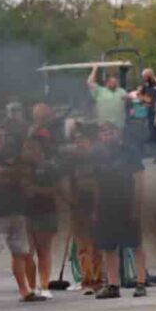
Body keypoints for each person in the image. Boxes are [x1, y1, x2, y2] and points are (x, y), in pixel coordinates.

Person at [0, 126, 42, 305]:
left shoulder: (14, 156)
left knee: (20, 252)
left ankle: (24, 290)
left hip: (17, 210)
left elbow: (26, 175)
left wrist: (5, 174)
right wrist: (13, 176)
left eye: (0, 136)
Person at [92, 121, 147, 299]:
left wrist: (137, 205)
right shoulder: (98, 155)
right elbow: (95, 184)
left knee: (135, 244)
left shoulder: (129, 152)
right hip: (106, 207)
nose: (107, 136)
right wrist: (95, 207)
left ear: (117, 133)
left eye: (110, 132)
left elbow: (139, 178)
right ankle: (113, 285)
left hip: (127, 203)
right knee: (109, 247)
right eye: (104, 133)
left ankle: (140, 283)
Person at [65, 123, 105, 295]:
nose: (80, 143)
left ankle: (98, 279)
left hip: (95, 207)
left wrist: (97, 208)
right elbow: (66, 184)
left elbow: (99, 186)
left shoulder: (97, 160)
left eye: (83, 140)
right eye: (77, 141)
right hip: (77, 209)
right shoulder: (71, 162)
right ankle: (87, 280)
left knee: (96, 246)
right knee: (83, 247)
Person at [21, 136, 61, 299]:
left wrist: (35, 189)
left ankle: (44, 285)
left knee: (43, 251)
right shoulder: (20, 168)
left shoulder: (49, 166)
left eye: (33, 148)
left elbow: (56, 189)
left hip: (45, 211)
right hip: (24, 213)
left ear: (39, 149)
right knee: (26, 253)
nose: (29, 151)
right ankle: (31, 287)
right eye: (26, 148)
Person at [86, 65, 133, 132]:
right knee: (104, 139)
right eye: (111, 82)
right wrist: (94, 69)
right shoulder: (100, 91)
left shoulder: (122, 91)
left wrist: (131, 107)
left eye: (115, 82)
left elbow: (129, 100)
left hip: (118, 126)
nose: (113, 83)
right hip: (103, 125)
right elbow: (89, 83)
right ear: (107, 83)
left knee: (118, 141)